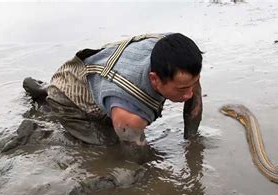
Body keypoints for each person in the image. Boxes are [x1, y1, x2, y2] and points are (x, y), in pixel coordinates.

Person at [23, 33, 203, 150]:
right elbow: (137, 155)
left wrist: (192, 143)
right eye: (182, 89)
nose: (189, 93)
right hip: (71, 95)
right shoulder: (129, 115)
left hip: (97, 70)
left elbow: (193, 106)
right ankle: (41, 126)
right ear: (155, 79)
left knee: (106, 98)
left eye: (193, 84)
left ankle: (43, 91)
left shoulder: (178, 58)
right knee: (109, 145)